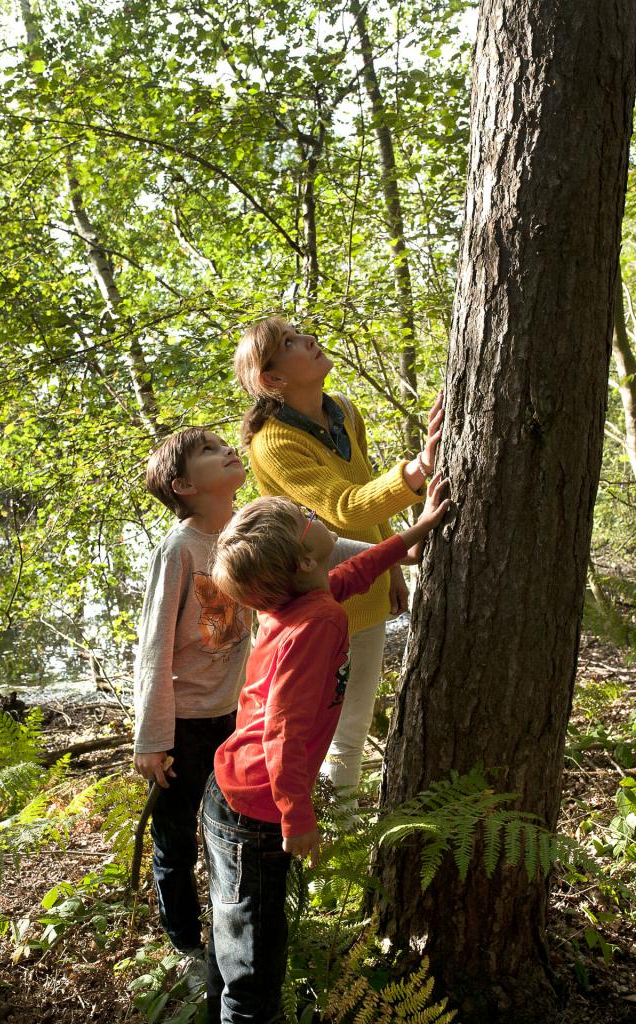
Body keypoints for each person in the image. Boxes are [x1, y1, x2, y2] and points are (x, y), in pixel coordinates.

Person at [203, 478, 450, 1023]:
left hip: (231, 795)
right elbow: (283, 729)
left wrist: (412, 537)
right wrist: (296, 817)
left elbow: (350, 575)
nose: (311, 516)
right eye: (303, 519)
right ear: (302, 559)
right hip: (257, 812)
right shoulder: (313, 624)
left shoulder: (303, 600)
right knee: (255, 961)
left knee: (233, 933)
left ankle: (217, 1008)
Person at [233, 316, 443, 792]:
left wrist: (390, 566)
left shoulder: (343, 410)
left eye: (299, 332)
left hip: (363, 590)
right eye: (289, 342)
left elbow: (365, 487)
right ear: (273, 379)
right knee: (321, 740)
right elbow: (343, 508)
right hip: (316, 605)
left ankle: (342, 841)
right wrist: (420, 469)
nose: (308, 339)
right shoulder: (274, 445)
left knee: (351, 732)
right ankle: (317, 843)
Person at [133, 426, 251, 970]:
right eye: (209, 450)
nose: (228, 448)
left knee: (234, 828)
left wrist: (398, 548)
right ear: (183, 485)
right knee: (176, 837)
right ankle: (185, 944)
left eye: (223, 442)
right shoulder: (180, 550)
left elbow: (315, 551)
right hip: (183, 723)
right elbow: (154, 649)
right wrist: (153, 739)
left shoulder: (245, 530)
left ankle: (236, 929)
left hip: (236, 715)